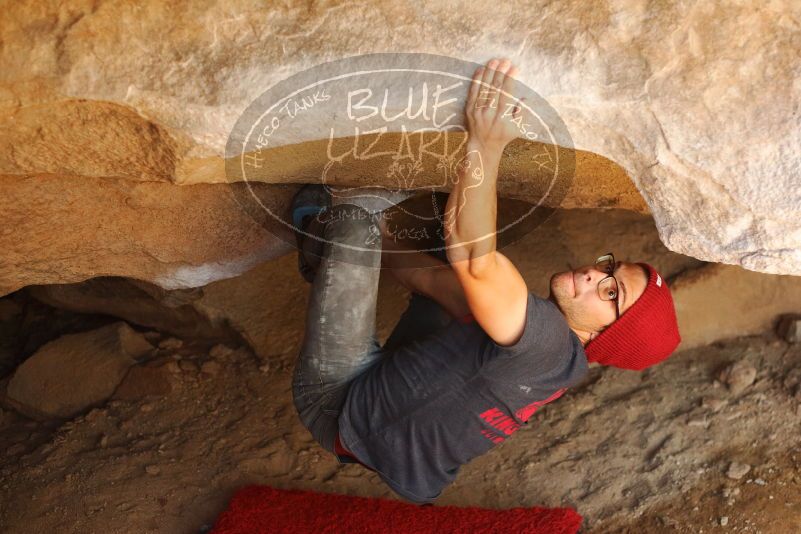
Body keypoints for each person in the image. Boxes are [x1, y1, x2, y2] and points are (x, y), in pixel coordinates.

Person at [290, 58, 681, 504]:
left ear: (601, 333)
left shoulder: (548, 342)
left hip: (337, 407)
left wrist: (486, 143)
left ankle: (316, 236)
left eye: (610, 292)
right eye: (610, 269)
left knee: (353, 223)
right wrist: (382, 237)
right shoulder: (558, 363)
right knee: (452, 278)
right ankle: (351, 242)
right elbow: (440, 282)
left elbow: (475, 258)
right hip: (386, 434)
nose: (595, 273)